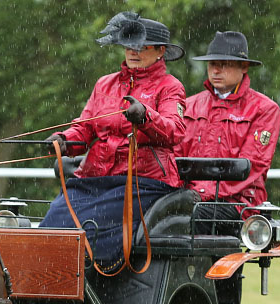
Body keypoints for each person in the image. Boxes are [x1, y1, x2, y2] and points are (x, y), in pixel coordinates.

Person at [40, 11, 187, 271]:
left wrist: (145, 117)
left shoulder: (170, 86)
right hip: (96, 177)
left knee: (93, 224)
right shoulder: (104, 84)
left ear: (161, 51)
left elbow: (175, 132)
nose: (133, 51)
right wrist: (64, 141)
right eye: (129, 45)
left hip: (143, 181)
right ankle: (51, 280)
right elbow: (84, 129)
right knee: (55, 219)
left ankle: (90, 275)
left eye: (142, 46)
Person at [176, 31, 280, 235]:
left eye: (224, 64)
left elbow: (252, 166)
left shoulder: (264, 109)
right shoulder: (189, 106)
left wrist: (199, 193)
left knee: (197, 217)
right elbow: (174, 158)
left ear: (244, 67)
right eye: (212, 64)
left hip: (238, 204)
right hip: (189, 199)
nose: (216, 70)